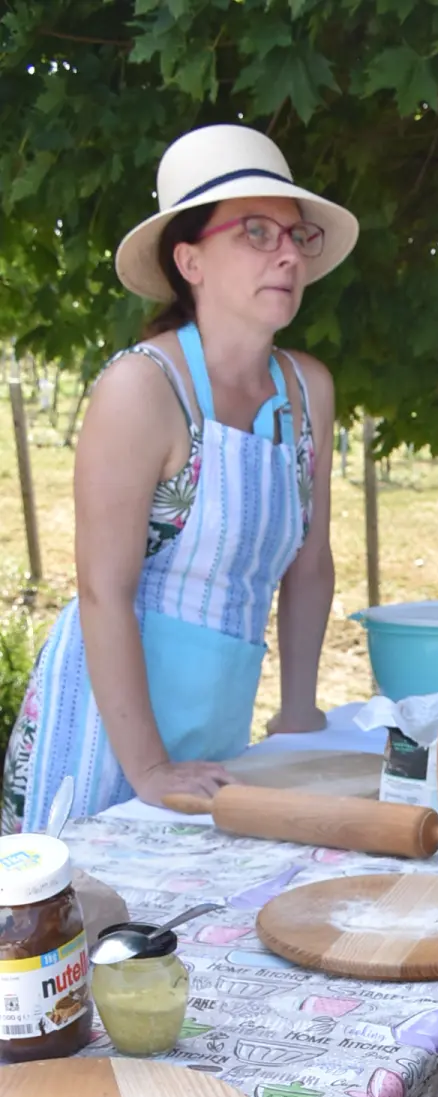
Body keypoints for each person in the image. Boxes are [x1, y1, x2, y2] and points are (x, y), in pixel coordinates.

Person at [3, 124, 355, 831]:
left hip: (217, 721)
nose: (288, 253)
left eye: (296, 235)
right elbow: (106, 590)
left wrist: (296, 710)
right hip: (108, 730)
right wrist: (149, 768)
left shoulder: (306, 389)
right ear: (190, 260)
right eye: (257, 232)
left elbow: (310, 567)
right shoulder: (143, 387)